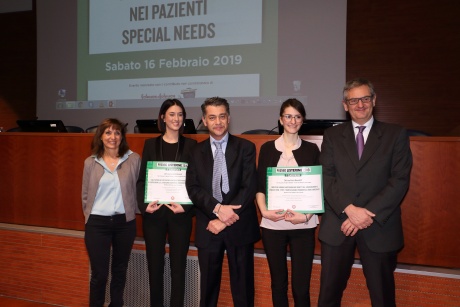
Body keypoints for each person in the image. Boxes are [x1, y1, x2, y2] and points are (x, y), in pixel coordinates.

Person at [318, 78, 413, 307]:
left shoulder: (395, 135)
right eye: (353, 100)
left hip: (379, 227)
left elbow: (399, 180)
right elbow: (327, 177)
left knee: (382, 297)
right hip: (338, 224)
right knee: (328, 295)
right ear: (345, 105)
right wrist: (350, 210)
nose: (360, 104)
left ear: (374, 100)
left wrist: (366, 213)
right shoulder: (332, 136)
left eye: (365, 98)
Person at [185, 97, 260, 307]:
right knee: (207, 291)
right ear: (204, 121)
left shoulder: (246, 147)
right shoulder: (194, 152)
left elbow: (248, 187)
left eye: (222, 116)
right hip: (208, 226)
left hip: (239, 226)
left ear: (228, 118)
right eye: (212, 117)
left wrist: (225, 220)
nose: (217, 122)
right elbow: (193, 189)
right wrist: (217, 210)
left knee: (243, 290)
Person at [256, 98, 320, 307]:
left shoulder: (312, 150)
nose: (293, 120)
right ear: (280, 119)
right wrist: (264, 212)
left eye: (297, 116)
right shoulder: (267, 148)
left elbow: (318, 188)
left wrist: (307, 216)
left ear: (303, 120)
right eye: (288, 116)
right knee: (278, 284)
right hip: (273, 225)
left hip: (303, 225)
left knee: (301, 287)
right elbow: (259, 185)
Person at [136, 99, 197, 307]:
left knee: (178, 267)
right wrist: (145, 207)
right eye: (172, 114)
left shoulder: (191, 145)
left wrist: (187, 206)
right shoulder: (150, 144)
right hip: (155, 215)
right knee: (155, 266)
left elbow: (196, 181)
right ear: (162, 117)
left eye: (180, 114)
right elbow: (142, 179)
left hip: (181, 214)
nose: (176, 119)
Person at [81, 118, 141, 307]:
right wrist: (89, 217)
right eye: (108, 132)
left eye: (117, 132)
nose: (112, 137)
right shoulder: (90, 162)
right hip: (97, 224)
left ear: (122, 137)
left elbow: (139, 189)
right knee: (99, 274)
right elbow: (85, 195)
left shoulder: (133, 159)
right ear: (100, 136)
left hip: (125, 223)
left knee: (120, 271)